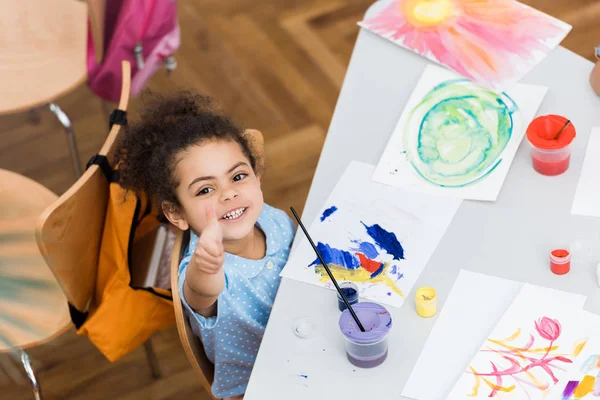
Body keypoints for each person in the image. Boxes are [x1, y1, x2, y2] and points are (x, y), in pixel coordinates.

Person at [115, 91, 296, 399]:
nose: (228, 194)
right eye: (205, 190)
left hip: (306, 335)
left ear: (258, 176)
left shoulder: (272, 218)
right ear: (177, 213)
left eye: (238, 176)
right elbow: (201, 291)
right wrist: (207, 264)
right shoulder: (201, 270)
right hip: (262, 384)